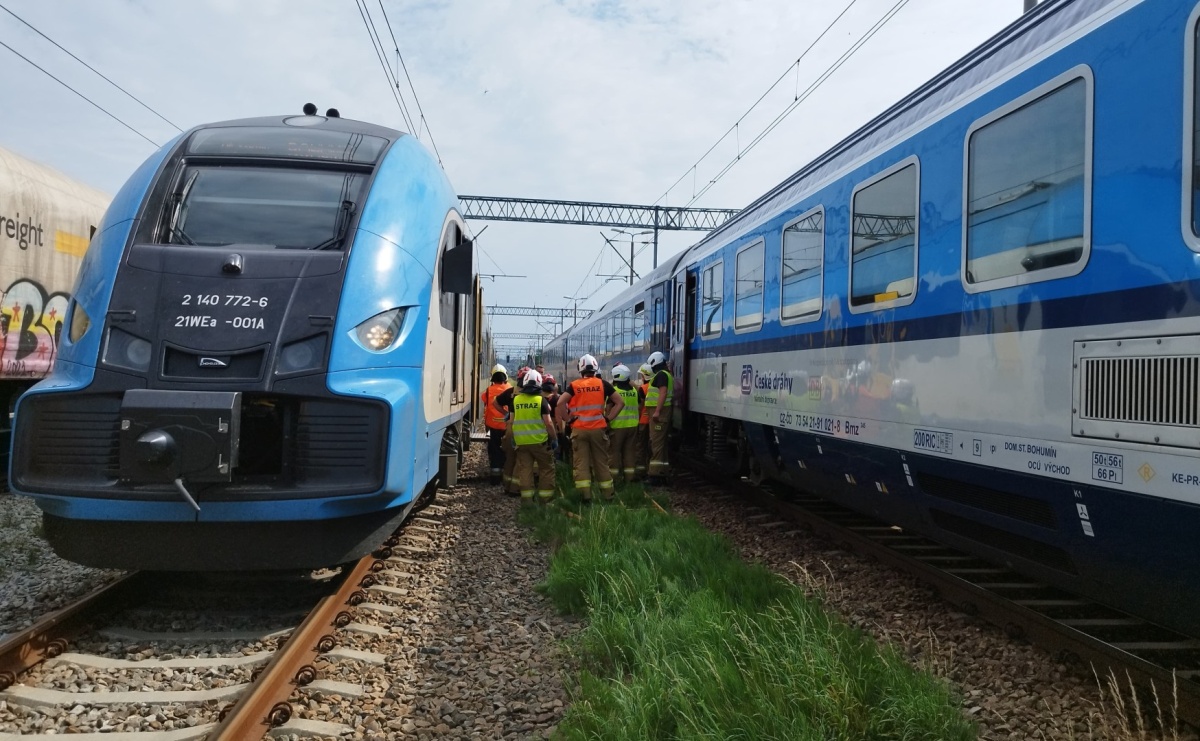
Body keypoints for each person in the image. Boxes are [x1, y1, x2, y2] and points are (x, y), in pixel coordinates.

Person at [556, 354, 624, 502]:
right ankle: (608, 495)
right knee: (601, 462)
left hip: (579, 429)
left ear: (580, 369)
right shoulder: (603, 384)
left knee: (582, 463)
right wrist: (608, 419)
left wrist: (568, 420)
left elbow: (560, 403)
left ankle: (585, 496)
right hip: (598, 429)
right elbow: (620, 402)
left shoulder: (574, 386)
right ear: (595, 368)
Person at [508, 370, 559, 502]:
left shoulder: (516, 400)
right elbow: (548, 423)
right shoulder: (541, 401)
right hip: (540, 443)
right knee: (546, 468)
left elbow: (511, 421)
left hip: (521, 442)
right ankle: (545, 499)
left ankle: (527, 500)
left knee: (525, 470)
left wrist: (513, 438)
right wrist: (554, 438)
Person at [494, 366, 529, 495]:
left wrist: (506, 413)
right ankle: (515, 489)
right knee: (521, 460)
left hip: (510, 428)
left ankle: (507, 486)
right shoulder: (532, 394)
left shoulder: (510, 392)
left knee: (510, 459)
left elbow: (495, 403)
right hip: (524, 431)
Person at [608, 364, 643, 483]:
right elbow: (639, 406)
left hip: (617, 427)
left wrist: (607, 422)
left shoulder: (615, 392)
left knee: (614, 453)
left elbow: (608, 409)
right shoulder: (634, 391)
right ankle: (629, 478)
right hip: (632, 426)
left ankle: (614, 479)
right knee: (629, 452)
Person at [644, 351, 674, 485]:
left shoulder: (662, 375)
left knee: (656, 443)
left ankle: (655, 475)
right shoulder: (665, 375)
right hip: (661, 412)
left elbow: (663, 392)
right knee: (660, 443)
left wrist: (657, 411)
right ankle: (663, 471)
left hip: (659, 413)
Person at [481, 364, 510, 484]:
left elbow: (484, 401)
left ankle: (495, 477)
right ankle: (507, 475)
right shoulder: (509, 388)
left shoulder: (488, 390)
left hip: (493, 426)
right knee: (508, 450)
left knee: (494, 450)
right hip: (507, 425)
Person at [636, 362, 654, 479]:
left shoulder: (642, 389)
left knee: (641, 447)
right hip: (652, 421)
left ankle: (641, 471)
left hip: (643, 421)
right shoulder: (655, 387)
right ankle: (651, 469)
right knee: (651, 446)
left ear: (644, 376)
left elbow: (640, 406)